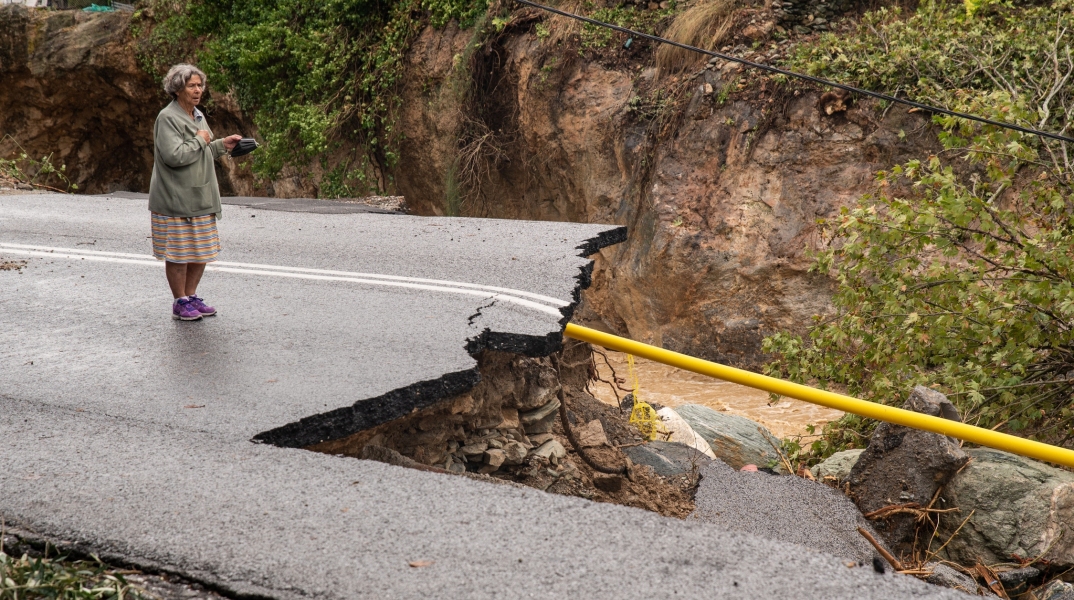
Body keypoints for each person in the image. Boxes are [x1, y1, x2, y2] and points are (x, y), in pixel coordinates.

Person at [148, 64, 242, 321]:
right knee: (179, 254)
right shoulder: (168, 118)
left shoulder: (198, 115)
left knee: (200, 251)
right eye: (192, 85)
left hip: (200, 196)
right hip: (174, 198)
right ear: (177, 88)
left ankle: (191, 296)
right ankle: (179, 302)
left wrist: (224, 144)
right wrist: (201, 139)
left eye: (200, 85)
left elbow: (205, 149)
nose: (198, 90)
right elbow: (173, 155)